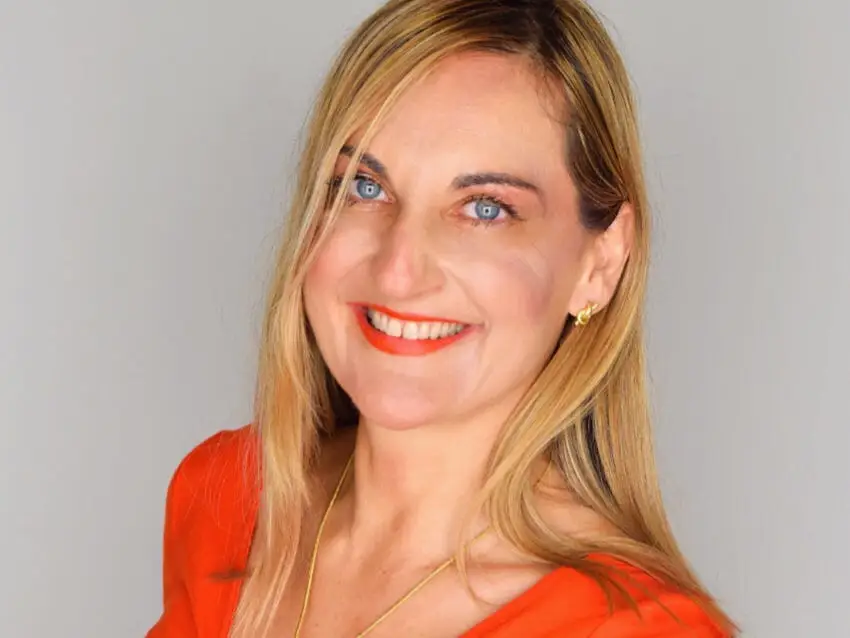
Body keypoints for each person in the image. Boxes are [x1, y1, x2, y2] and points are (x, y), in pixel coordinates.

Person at [147, 0, 736, 636]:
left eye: (485, 208)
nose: (399, 270)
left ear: (601, 261)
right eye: (366, 187)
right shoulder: (224, 495)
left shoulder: (636, 629)